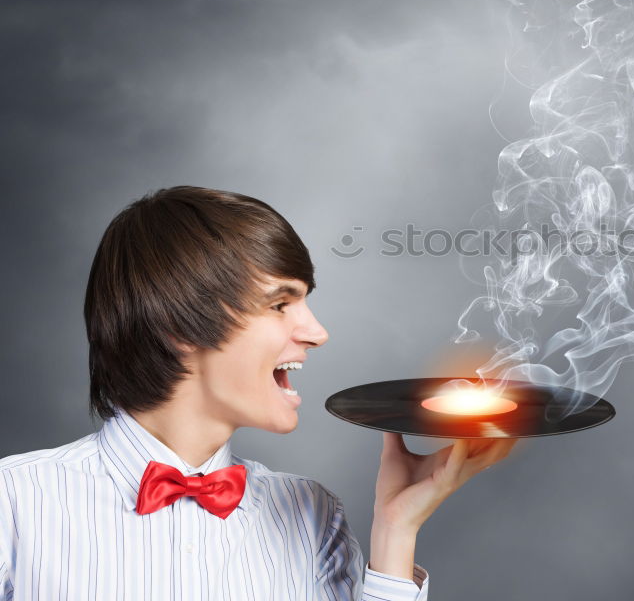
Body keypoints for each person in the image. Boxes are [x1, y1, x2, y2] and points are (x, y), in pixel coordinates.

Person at [0, 185, 514, 600]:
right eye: (279, 304)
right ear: (179, 323)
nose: (316, 331)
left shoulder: (312, 513)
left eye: (305, 301)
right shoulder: (14, 503)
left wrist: (395, 530)